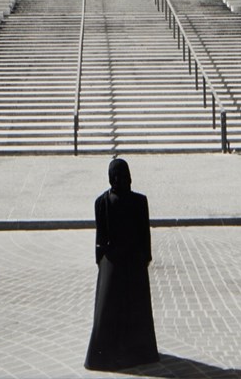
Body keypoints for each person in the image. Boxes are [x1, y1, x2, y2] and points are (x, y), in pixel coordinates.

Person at [84, 157, 159, 371]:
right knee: (118, 308)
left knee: (122, 307)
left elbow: (143, 233)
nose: (119, 180)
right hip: (120, 260)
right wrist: (103, 260)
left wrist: (144, 257)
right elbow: (101, 237)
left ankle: (123, 351)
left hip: (126, 260)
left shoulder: (133, 201)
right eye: (115, 177)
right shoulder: (104, 202)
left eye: (122, 176)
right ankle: (121, 350)